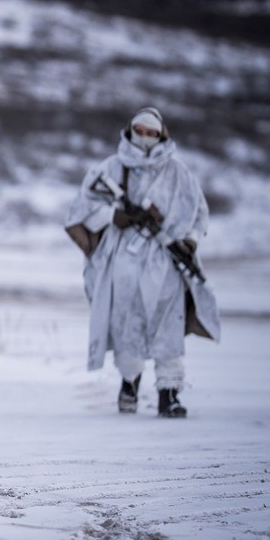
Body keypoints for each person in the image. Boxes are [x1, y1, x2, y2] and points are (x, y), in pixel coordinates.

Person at [65, 107, 219, 418]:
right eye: (140, 130)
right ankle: (129, 383)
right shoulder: (110, 168)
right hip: (123, 260)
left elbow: (198, 213)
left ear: (162, 135)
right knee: (127, 323)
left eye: (152, 132)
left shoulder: (178, 173)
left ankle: (169, 393)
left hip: (164, 263)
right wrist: (114, 216)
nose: (145, 137)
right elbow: (81, 208)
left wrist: (188, 242)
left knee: (168, 326)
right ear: (130, 130)